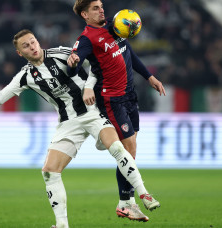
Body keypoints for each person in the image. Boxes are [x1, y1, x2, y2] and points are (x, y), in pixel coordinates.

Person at [0, 29, 160, 228]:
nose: (32, 47)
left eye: (33, 41)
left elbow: (97, 64)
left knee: (117, 148)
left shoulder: (62, 53)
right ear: (19, 53)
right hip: (69, 123)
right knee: (49, 171)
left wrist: (88, 87)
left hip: (93, 111)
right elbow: (0, 98)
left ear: (38, 41)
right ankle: (61, 225)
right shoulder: (25, 76)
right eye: (25, 46)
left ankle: (143, 193)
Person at [67, 0, 165, 222]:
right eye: (95, 8)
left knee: (130, 152)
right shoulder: (86, 39)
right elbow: (75, 61)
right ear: (85, 15)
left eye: (101, 6)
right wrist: (73, 62)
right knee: (128, 148)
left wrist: (149, 76)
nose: (101, 9)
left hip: (130, 96)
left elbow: (128, 52)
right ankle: (127, 203)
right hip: (112, 100)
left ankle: (125, 202)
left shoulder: (115, 25)